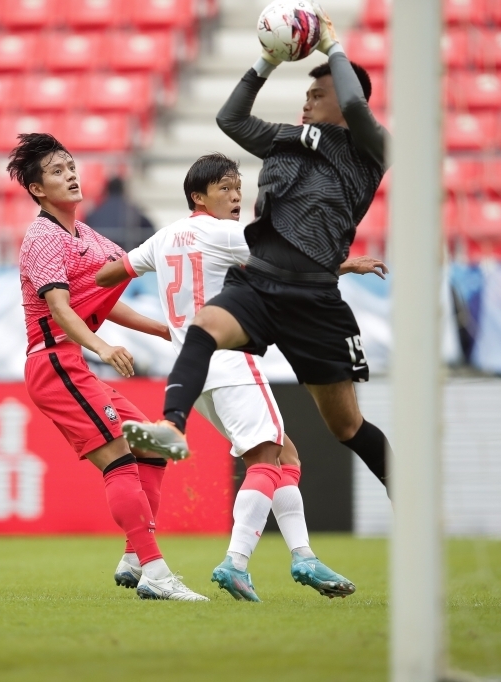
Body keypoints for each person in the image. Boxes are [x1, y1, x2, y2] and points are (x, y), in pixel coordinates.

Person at [122, 7, 394, 496]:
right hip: (261, 283)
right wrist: (266, 62)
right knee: (204, 327)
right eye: (306, 93)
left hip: (314, 299)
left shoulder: (370, 150)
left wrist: (332, 46)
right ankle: (172, 426)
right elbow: (230, 118)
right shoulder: (287, 139)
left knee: (347, 427)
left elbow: (355, 109)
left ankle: (408, 495)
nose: (306, 102)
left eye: (318, 93)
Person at [97, 153, 383, 601]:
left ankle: (303, 556)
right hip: (232, 361)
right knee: (266, 461)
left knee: (286, 457)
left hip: (193, 373)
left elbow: (108, 273)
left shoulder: (164, 237)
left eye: (238, 187)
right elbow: (295, 255)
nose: (236, 196)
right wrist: (349, 264)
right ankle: (236, 561)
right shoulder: (228, 234)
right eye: (226, 188)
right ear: (199, 195)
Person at [10, 132, 208, 602]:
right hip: (54, 362)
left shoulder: (85, 235)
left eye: (71, 166)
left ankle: (135, 556)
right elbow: (60, 307)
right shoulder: (41, 237)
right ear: (37, 189)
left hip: (71, 361)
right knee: (119, 459)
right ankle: (155, 571)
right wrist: (101, 345)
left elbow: (105, 295)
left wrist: (159, 329)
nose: (71, 174)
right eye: (57, 171)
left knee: (157, 446)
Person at [84, 177, 155, 251]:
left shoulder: (94, 213)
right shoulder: (132, 211)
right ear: (124, 190)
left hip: (99, 255)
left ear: (106, 191)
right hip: (124, 256)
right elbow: (151, 235)